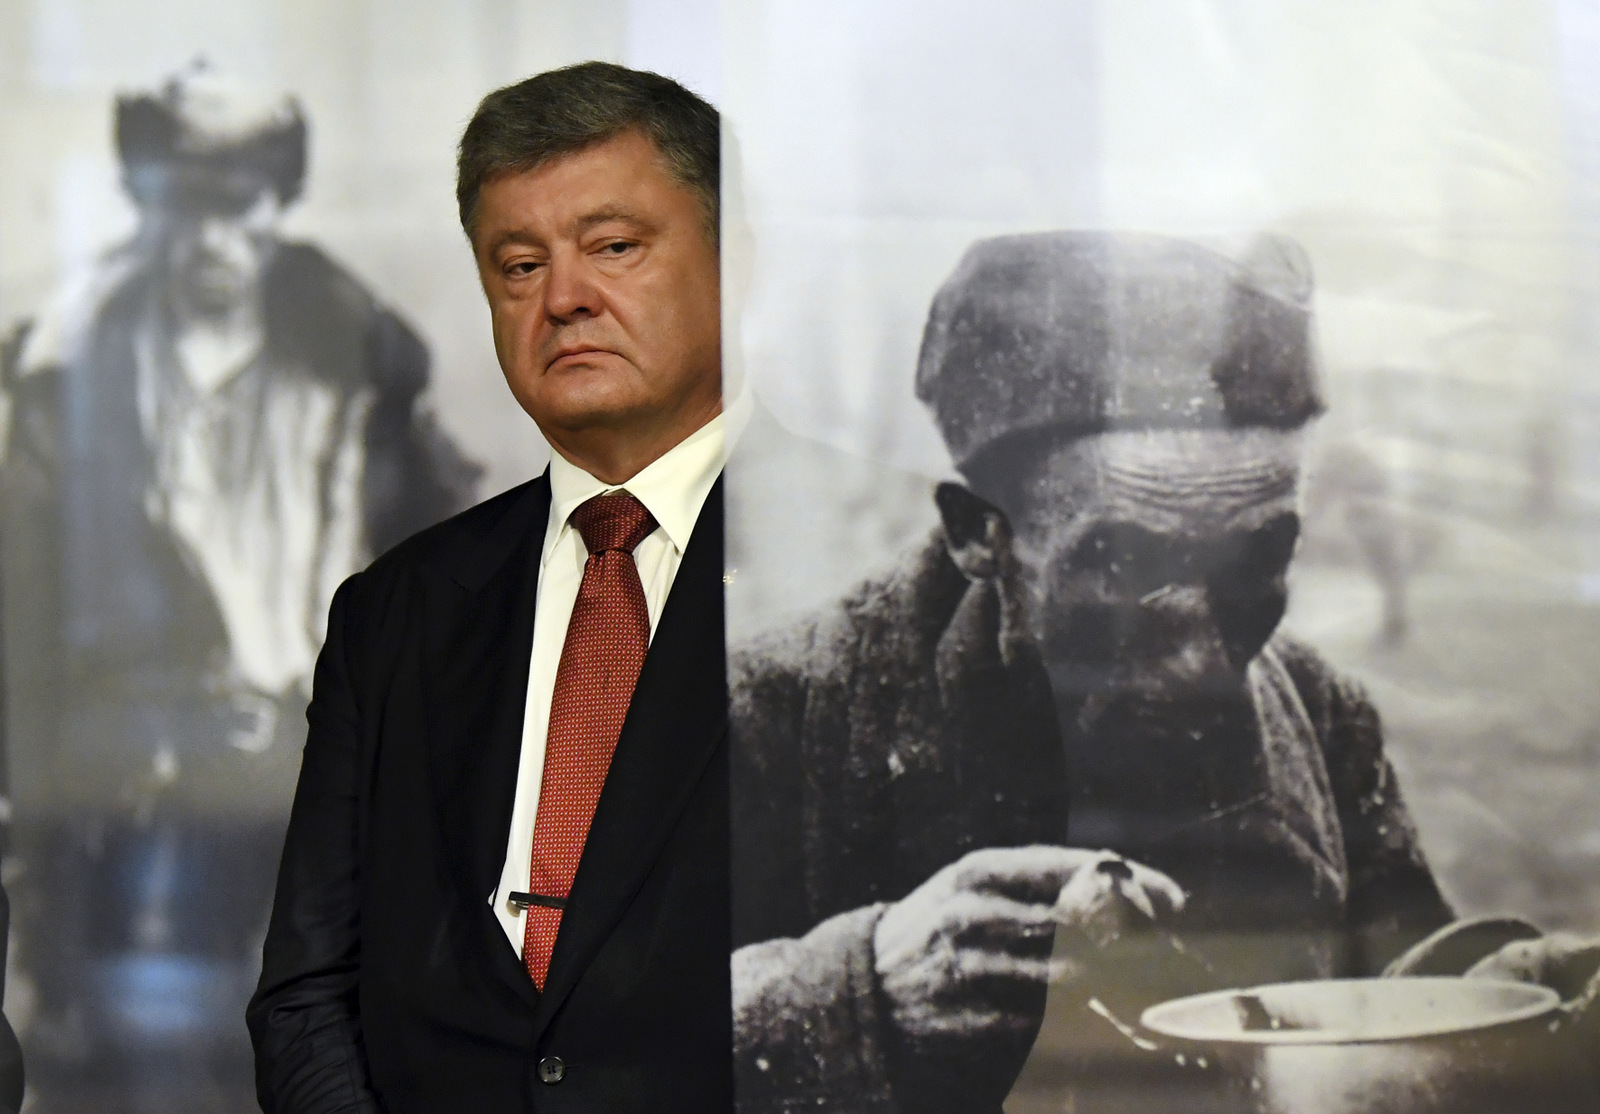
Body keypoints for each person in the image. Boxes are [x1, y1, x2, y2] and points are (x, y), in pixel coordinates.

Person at [729, 231, 1461, 1112]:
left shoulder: (1321, 712)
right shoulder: (757, 723)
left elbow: (1402, 982)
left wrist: (1492, 986)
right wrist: (857, 994)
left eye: (1256, 559)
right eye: (1124, 564)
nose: (1200, 658)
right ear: (978, 532)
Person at [247, 62, 731, 1112]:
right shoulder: (397, 610)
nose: (561, 298)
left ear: (733, 260)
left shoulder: (883, 559)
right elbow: (305, 995)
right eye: (517, 265)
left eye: (612, 247)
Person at [0, 62, 475, 1095]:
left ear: (278, 205)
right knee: (142, 1062)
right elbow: (22, 613)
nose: (213, 245)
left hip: (313, 789)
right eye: (186, 211)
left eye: (240, 210)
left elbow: (449, 578)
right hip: (131, 795)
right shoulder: (64, 376)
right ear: (144, 205)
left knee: (317, 1055)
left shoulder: (359, 372)